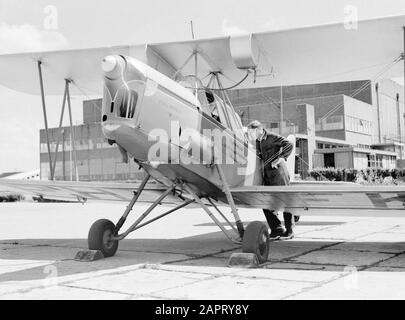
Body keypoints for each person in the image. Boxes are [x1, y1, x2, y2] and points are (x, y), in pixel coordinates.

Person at [247, 120, 295, 240]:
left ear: (259, 129)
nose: (251, 134)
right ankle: (276, 229)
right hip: (267, 175)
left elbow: (289, 144)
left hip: (279, 173)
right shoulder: (258, 142)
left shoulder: (272, 137)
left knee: (285, 201)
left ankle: (289, 230)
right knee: (266, 203)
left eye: (252, 132)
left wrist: (280, 158)